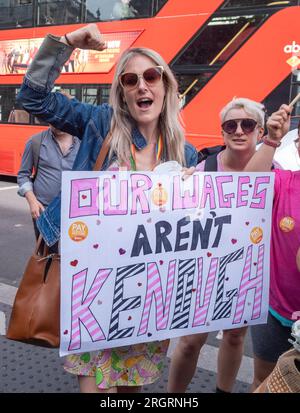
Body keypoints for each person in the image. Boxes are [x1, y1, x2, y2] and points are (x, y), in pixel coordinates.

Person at [17, 23, 198, 393]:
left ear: (166, 85)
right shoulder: (100, 124)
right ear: (123, 93)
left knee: (131, 391)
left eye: (151, 76)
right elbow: (32, 99)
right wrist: (66, 44)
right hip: (92, 293)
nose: (142, 86)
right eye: (131, 81)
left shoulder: (185, 155)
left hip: (148, 300)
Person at [168, 97, 279, 393]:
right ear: (223, 132)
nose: (239, 130)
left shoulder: (274, 170)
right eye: (231, 125)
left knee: (233, 337)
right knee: (191, 342)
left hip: (245, 270)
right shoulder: (204, 170)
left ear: (260, 130)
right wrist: (178, 186)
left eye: (247, 124)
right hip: (204, 271)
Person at [243, 102, 300, 390]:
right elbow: (248, 185)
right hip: (274, 311)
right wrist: (272, 138)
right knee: (266, 382)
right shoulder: (285, 182)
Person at [17, 123, 80, 241]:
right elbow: (23, 175)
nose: (57, 122)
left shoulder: (83, 144)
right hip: (44, 211)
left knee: (74, 255)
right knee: (46, 256)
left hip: (76, 212)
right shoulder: (35, 142)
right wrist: (32, 201)